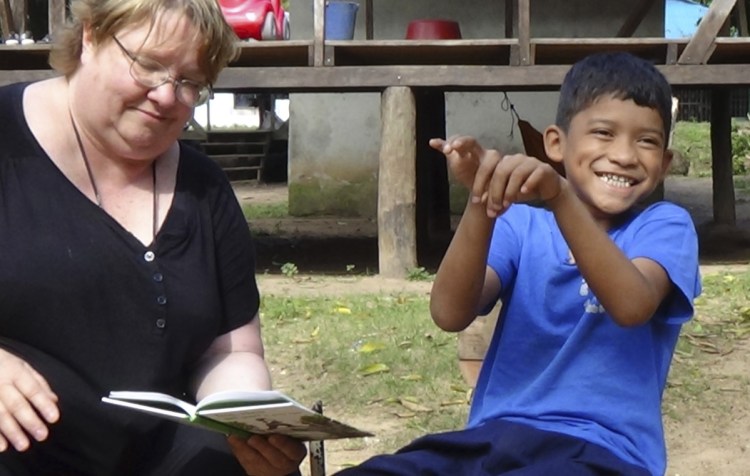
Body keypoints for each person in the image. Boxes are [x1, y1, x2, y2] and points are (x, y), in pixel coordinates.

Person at [336, 52, 701, 475]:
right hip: (491, 439)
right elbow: (450, 312)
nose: (624, 155)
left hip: (601, 453)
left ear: (665, 164)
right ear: (556, 144)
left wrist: (560, 195)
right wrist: (482, 198)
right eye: (604, 133)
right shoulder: (520, 226)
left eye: (647, 141)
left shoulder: (665, 226)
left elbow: (632, 304)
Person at [0, 0, 306, 475]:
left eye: (189, 82)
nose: (167, 97)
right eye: (148, 66)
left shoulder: (205, 188)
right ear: (90, 37)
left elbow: (231, 350)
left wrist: (246, 421)